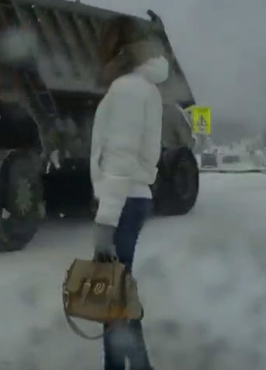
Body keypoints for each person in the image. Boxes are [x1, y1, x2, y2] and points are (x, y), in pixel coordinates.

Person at [90, 15, 171, 370]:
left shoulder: (125, 89)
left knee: (112, 298)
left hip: (122, 201)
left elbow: (119, 158)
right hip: (133, 197)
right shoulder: (143, 86)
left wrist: (105, 221)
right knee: (118, 296)